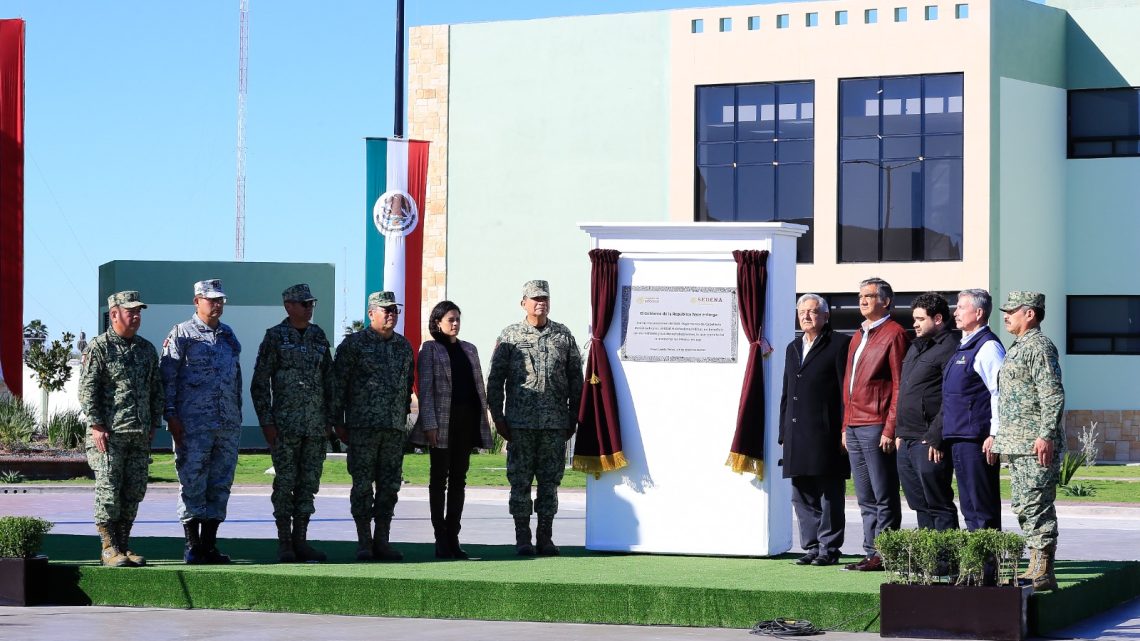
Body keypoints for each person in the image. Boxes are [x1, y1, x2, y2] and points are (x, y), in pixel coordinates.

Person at [487, 279, 583, 556]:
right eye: (535, 299)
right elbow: (495, 381)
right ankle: (522, 537)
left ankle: (545, 536)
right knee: (520, 482)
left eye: (545, 299)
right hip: (520, 424)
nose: (540, 303)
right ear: (524, 303)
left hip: (554, 424)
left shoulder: (563, 336)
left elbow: (576, 380)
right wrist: (499, 417)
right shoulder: (510, 336)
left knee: (550, 483)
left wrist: (573, 417)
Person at [160, 279, 243, 565]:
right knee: (192, 481)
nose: (217, 304)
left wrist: (237, 416)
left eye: (221, 299)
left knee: (220, 483)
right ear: (197, 301)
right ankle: (192, 545)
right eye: (211, 300)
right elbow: (167, 378)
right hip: (193, 425)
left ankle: (209, 545)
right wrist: (171, 415)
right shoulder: (182, 334)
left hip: (226, 423)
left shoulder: (228, 335)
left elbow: (236, 379)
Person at [78, 291, 164, 567]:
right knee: (108, 490)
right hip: (109, 435)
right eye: (131, 311)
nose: (136, 316)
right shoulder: (99, 348)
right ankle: (108, 547)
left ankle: (124, 546)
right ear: (114, 314)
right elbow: (87, 389)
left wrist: (153, 422)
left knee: (133, 491)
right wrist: (96, 424)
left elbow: (155, 389)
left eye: (139, 311)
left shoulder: (146, 349)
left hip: (138, 435)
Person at [251, 283, 336, 563]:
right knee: (285, 484)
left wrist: (329, 420)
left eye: (311, 303)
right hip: (285, 426)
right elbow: (260, 383)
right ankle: (285, 542)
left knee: (308, 485)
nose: (309, 307)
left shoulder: (318, 336)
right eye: (304, 303)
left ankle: (301, 540)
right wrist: (267, 423)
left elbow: (329, 380)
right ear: (288, 306)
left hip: (314, 426)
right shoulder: (275, 337)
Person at [332, 291, 415, 562]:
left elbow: (406, 387)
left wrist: (402, 419)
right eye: (385, 310)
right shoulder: (354, 345)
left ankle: (382, 540)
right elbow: (339, 385)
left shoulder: (403, 347)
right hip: (362, 427)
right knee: (363, 486)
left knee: (390, 486)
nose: (391, 314)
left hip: (392, 429)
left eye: (394, 310)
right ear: (371, 314)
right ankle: (364, 541)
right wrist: (338, 422)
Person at [992, 291, 1065, 591]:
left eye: (1013, 310)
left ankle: (1043, 570)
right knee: (1023, 505)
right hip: (1018, 443)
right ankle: (1036, 566)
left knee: (1037, 505)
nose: (1006, 315)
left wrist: (1046, 435)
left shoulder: (1039, 346)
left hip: (1035, 444)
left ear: (1030, 314)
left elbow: (1052, 394)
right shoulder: (1017, 346)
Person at [411, 300, 493, 560]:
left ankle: (454, 537)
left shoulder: (470, 349)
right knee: (439, 481)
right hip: (442, 424)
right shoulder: (430, 350)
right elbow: (425, 391)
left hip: (466, 423)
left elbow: (478, 387)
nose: (455, 323)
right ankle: (440, 538)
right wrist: (430, 425)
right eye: (450, 319)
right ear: (437, 322)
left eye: (457, 319)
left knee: (460, 481)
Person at [779, 294, 851, 567]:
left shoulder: (839, 344)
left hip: (827, 432)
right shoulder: (793, 347)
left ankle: (829, 548)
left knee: (829, 493)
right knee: (802, 493)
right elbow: (787, 392)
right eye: (802, 311)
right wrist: (783, 430)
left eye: (812, 311)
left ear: (825, 315)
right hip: (796, 433)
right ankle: (810, 547)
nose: (806, 316)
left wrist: (845, 429)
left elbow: (846, 391)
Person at [842, 277, 908, 571]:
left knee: (883, 494)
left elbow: (899, 384)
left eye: (869, 296)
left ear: (886, 301)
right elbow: (849, 385)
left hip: (876, 424)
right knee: (865, 496)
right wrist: (845, 425)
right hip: (854, 424)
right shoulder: (859, 335)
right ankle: (871, 551)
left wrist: (890, 428)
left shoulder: (894, 334)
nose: (863, 300)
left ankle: (886, 553)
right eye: (861, 296)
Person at [894, 292, 960, 532]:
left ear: (939, 318)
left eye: (921, 319)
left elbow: (951, 399)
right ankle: (930, 562)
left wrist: (935, 437)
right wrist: (899, 432)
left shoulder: (951, 348)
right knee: (919, 503)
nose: (915, 324)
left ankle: (946, 562)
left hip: (928, 440)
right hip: (907, 437)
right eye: (915, 318)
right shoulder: (916, 347)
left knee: (938, 503)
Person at [943, 288, 1004, 531]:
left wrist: (994, 434)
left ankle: (988, 567)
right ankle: (977, 564)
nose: (955, 312)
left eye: (961, 307)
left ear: (978, 313)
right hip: (960, 436)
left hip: (978, 439)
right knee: (969, 505)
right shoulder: (964, 345)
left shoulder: (988, 347)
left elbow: (999, 393)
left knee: (981, 506)